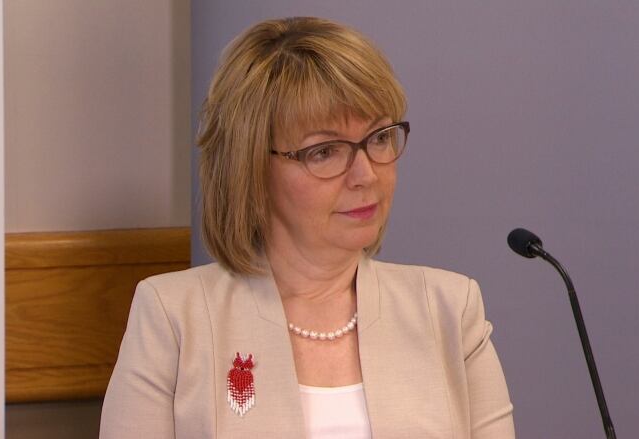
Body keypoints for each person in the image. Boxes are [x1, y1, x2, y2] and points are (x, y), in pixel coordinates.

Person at [100, 16, 514, 438]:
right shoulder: (175, 318)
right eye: (325, 151)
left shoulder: (448, 310)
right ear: (252, 168)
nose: (365, 174)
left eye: (379, 138)